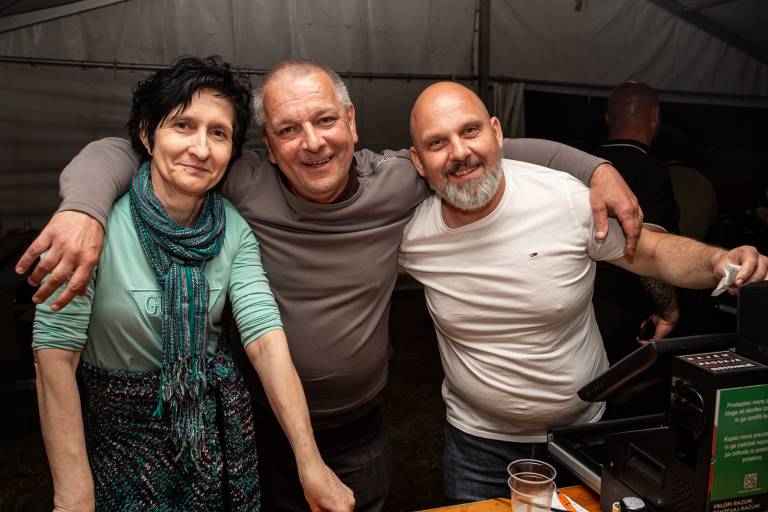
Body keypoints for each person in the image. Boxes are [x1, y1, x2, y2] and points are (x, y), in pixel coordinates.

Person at [17, 59, 643, 511]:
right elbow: (117, 151)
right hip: (254, 426)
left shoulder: (398, 179)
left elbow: (479, 148)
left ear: (352, 121)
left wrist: (596, 167)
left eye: (324, 121)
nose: (312, 143)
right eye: (288, 129)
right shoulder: (238, 184)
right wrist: (84, 209)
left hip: (359, 429)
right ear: (266, 145)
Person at [399, 81, 768, 503]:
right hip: (477, 446)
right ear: (418, 161)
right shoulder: (412, 234)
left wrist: (719, 261)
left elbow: (653, 252)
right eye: (437, 143)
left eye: (470, 131)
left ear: (497, 133)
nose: (459, 152)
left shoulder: (565, 199)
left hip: (579, 437)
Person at [31, 56, 352, 512]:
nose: (200, 149)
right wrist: (74, 497)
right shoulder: (93, 229)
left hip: (215, 444)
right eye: (183, 126)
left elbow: (265, 340)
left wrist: (310, 461)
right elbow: (54, 358)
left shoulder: (234, 229)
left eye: (218, 133)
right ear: (147, 135)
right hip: (119, 443)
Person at [593, 81, 681, 364]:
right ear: (655, 116)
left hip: (576, 316)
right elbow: (646, 251)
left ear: (608, 118)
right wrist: (669, 311)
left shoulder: (583, 165)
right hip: (624, 321)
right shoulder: (651, 172)